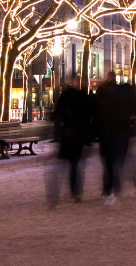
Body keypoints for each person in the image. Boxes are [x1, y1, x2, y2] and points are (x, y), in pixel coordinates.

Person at [47, 73, 91, 207]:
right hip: (77, 134)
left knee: (68, 165)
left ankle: (71, 191)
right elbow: (87, 115)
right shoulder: (82, 96)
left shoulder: (66, 96)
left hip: (69, 134)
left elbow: (57, 115)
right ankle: (75, 191)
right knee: (75, 165)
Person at [95, 71, 136, 205]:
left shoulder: (105, 94)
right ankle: (111, 187)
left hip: (110, 132)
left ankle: (110, 187)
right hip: (113, 131)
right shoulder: (113, 95)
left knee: (110, 162)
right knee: (113, 161)